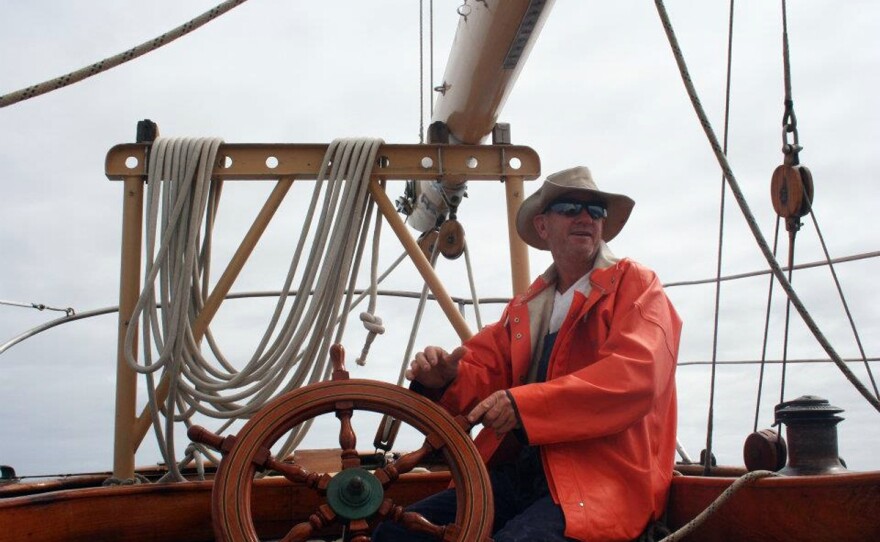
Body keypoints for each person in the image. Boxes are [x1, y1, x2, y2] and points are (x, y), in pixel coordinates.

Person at [373, 166, 682, 542]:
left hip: (600, 481)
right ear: (542, 226)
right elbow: (485, 371)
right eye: (570, 207)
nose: (585, 217)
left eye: (595, 211)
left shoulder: (637, 286)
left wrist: (522, 407)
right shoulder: (527, 307)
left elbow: (636, 377)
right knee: (396, 533)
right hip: (521, 475)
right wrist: (446, 380)